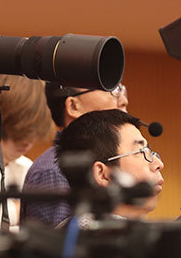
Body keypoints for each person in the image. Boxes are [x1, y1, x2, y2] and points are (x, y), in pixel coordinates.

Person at [21, 82, 127, 226]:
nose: (123, 99)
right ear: (73, 106)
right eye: (109, 89)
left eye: (120, 88)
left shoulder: (99, 160)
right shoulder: (53, 171)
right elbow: (59, 239)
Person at [0, 75, 54, 230]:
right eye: (20, 133)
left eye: (33, 133)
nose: (28, 142)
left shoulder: (29, 169)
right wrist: (19, 211)